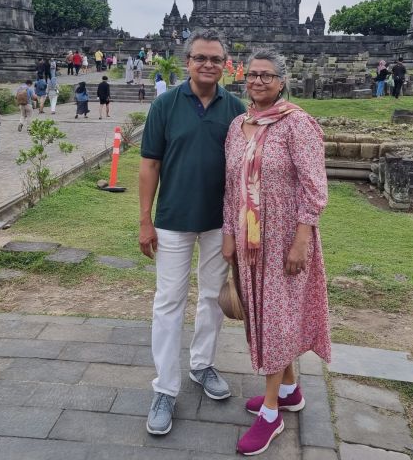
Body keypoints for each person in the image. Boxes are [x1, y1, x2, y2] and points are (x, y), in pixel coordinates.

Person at [222, 49, 331, 455]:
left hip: (286, 239)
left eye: (267, 75)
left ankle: (271, 415)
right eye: (252, 75)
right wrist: (230, 234)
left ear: (282, 81)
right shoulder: (238, 125)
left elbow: (314, 187)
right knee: (267, 316)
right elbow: (232, 186)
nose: (259, 81)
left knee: (276, 320)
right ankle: (288, 390)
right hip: (249, 240)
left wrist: (301, 240)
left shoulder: (296, 124)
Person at [138, 31, 246, 436]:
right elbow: (149, 165)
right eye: (200, 58)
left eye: (215, 59)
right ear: (187, 62)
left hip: (220, 220)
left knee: (213, 298)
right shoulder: (165, 105)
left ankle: (202, 364)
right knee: (168, 301)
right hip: (171, 219)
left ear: (225, 64)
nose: (207, 65)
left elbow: (244, 170)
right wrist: (144, 219)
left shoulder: (235, 109)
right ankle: (165, 388)